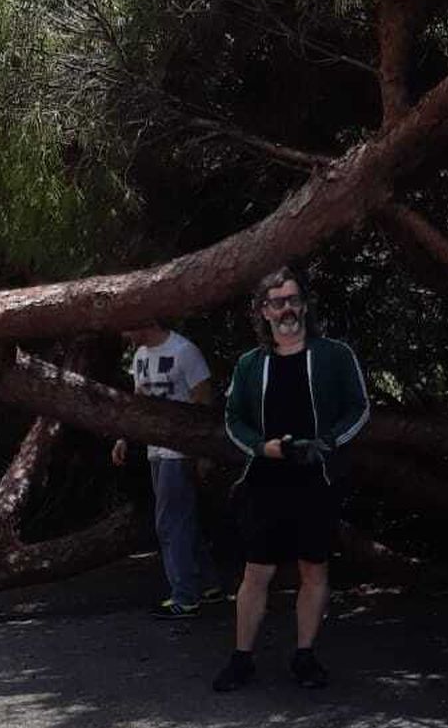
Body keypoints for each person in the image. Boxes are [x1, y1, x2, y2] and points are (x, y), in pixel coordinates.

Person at [212, 266, 369, 693]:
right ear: (263, 311)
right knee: (256, 572)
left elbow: (359, 409)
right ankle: (241, 659)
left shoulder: (335, 355)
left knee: (313, 570)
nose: (287, 309)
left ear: (304, 305)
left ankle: (305, 656)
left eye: (294, 300)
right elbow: (233, 419)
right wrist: (262, 448)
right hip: (264, 481)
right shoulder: (250, 365)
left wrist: (329, 443)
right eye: (277, 302)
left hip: (316, 478)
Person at [111, 319, 222, 618]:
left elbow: (203, 401)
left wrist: (202, 452)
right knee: (182, 517)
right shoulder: (141, 356)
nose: (124, 333)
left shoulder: (184, 351)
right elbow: (140, 401)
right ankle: (208, 582)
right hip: (155, 449)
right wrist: (126, 436)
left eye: (127, 325)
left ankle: (185, 596)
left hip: (181, 449)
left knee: (169, 522)